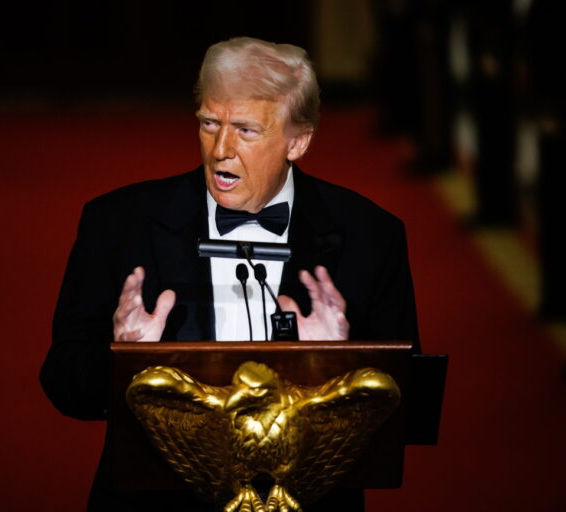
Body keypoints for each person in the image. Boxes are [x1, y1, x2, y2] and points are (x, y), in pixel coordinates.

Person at [40, 37, 419, 512]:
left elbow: (409, 408)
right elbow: (63, 382)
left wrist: (334, 364)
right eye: (209, 124)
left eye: (245, 130)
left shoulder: (372, 236)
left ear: (298, 141)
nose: (221, 150)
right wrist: (124, 361)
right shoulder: (117, 224)